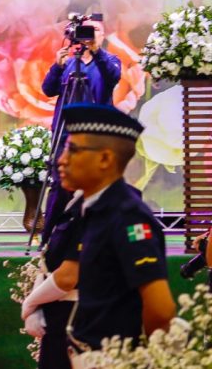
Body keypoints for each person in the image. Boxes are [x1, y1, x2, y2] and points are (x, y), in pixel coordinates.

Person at [56, 104, 175, 354]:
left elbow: (161, 309)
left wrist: (135, 359)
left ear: (105, 159)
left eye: (73, 150)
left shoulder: (128, 217)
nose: (62, 160)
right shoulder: (95, 208)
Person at [40, 16, 123, 245]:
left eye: (95, 30)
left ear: (103, 36)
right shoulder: (69, 63)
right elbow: (48, 90)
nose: (90, 34)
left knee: (99, 185)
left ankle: (100, 239)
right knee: (60, 186)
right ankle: (49, 240)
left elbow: (112, 77)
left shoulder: (110, 61)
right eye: (87, 30)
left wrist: (96, 51)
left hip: (97, 134)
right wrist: (57, 66)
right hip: (65, 134)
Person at [20, 190, 84, 369]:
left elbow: (68, 277)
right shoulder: (72, 203)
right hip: (58, 316)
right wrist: (37, 306)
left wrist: (30, 303)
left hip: (79, 317)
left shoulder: (94, 208)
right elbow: (47, 261)